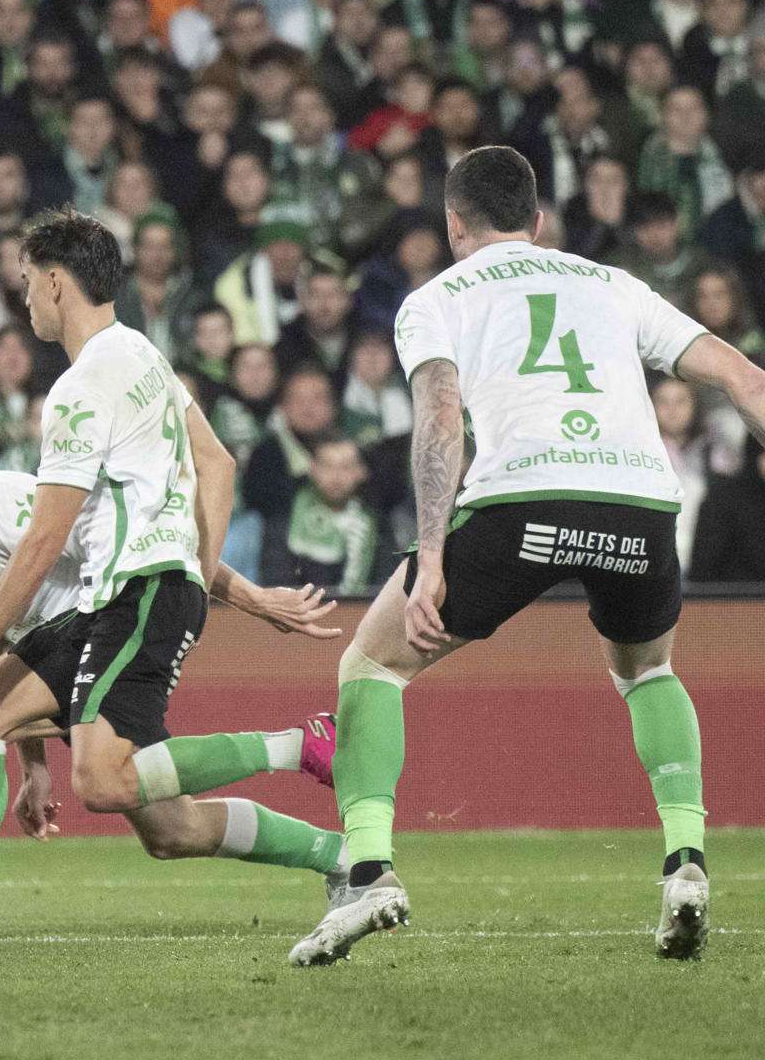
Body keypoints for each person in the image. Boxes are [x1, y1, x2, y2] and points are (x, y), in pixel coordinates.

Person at [289, 146, 765, 967]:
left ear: (452, 224)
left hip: (522, 502)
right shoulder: (614, 284)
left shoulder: (433, 298)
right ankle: (685, 860)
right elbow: (743, 376)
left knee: (371, 666)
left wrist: (431, 552)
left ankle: (369, 871)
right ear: (538, 222)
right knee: (649, 672)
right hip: (639, 503)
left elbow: (442, 416)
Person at [0, 210, 352, 928]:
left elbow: (46, 535)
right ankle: (341, 856)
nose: (23, 302)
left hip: (132, 594)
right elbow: (217, 461)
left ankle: (299, 744)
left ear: (54, 282)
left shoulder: (79, 390)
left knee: (101, 781)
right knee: (156, 823)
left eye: (25, 285)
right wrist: (200, 569)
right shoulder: (141, 352)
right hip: (134, 592)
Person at [0, 440, 344, 943]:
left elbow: (138, 539)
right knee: (173, 831)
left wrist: (253, 598)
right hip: (65, 654)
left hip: (116, 619)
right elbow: (1, 654)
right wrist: (33, 765)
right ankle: (341, 854)